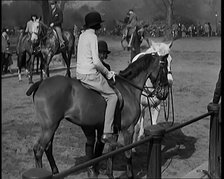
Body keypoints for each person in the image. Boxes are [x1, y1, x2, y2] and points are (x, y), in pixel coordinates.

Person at [76, 11, 118, 144]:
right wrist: (107, 72)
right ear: (97, 25)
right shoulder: (92, 37)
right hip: (90, 75)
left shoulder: (82, 35)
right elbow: (96, 62)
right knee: (113, 97)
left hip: (79, 73)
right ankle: (107, 132)